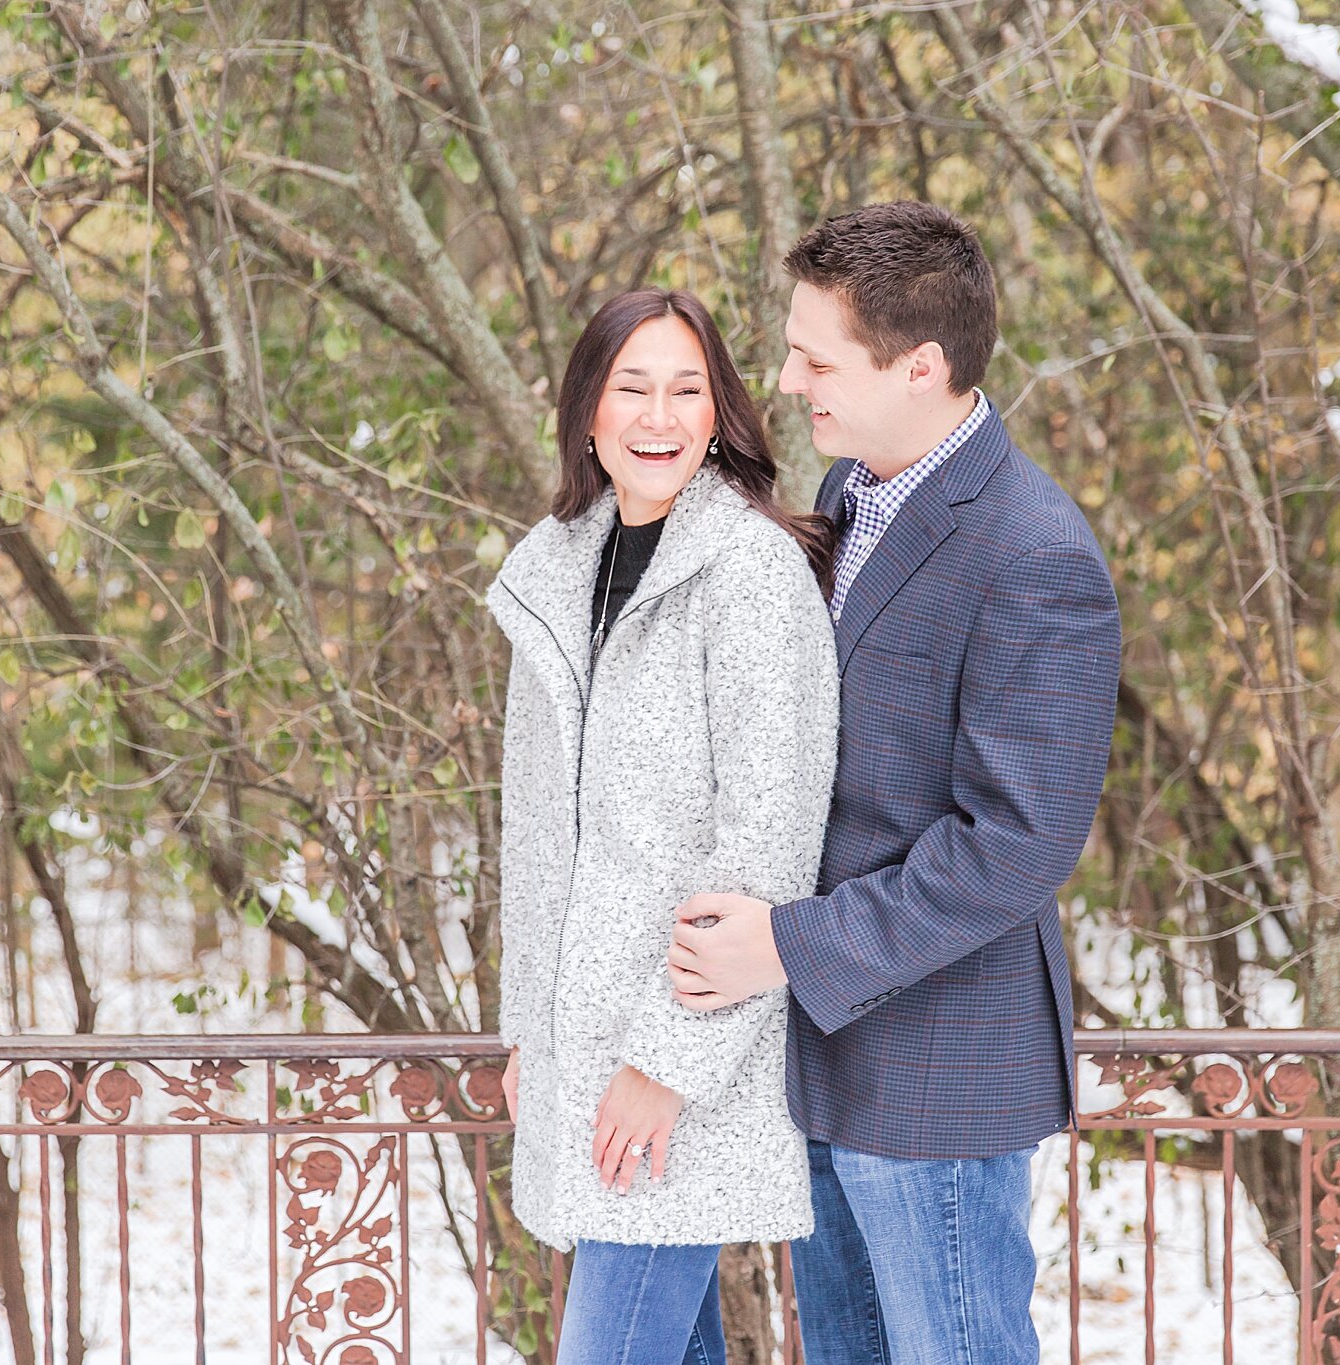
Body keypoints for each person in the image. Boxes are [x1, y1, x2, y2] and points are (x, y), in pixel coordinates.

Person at [668, 202, 1123, 1361]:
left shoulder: (1034, 552)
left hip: (941, 1076)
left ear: (920, 368)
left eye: (818, 360)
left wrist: (788, 944)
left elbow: (1014, 844)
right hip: (826, 1056)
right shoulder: (848, 494)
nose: (787, 378)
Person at [488, 287, 840, 1363]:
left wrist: (665, 1061)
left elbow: (768, 851)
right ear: (586, 412)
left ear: (719, 413)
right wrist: (525, 1026)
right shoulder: (555, 570)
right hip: (578, 1055)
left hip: (674, 1065)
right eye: (629, 387)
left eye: (686, 390)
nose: (657, 417)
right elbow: (532, 830)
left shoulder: (751, 575)